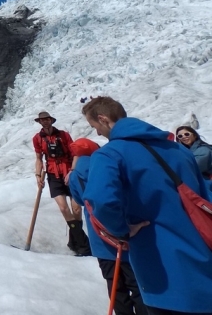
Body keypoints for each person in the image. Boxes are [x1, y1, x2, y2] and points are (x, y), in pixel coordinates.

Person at [82, 96, 212, 315]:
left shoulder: (110, 155)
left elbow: (102, 200)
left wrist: (122, 230)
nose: (96, 133)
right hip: (203, 259)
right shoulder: (179, 151)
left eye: (94, 126)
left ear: (103, 119)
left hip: (162, 272)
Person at [69, 153, 148, 315]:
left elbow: (78, 200)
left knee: (115, 287)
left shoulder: (75, 177)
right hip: (124, 236)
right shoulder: (109, 167)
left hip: (99, 240)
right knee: (137, 285)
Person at [32, 111, 91, 256]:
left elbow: (75, 153)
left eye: (47, 119)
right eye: (42, 120)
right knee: (64, 208)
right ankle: (83, 246)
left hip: (69, 172)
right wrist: (38, 175)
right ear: (39, 122)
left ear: (51, 120)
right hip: (53, 174)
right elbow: (39, 158)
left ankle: (74, 242)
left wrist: (73, 170)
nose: (45, 122)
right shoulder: (37, 138)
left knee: (76, 209)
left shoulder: (64, 135)